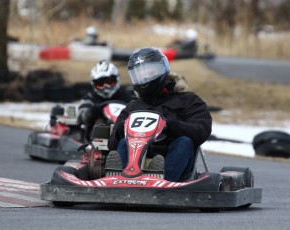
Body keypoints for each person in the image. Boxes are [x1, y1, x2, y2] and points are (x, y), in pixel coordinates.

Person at [108, 47, 212, 182]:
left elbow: (202, 130)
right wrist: (121, 130)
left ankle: (163, 178)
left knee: (184, 142)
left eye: (150, 72)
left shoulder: (188, 100)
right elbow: (112, 144)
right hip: (138, 156)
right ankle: (119, 176)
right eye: (140, 74)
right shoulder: (133, 106)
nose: (145, 78)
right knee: (123, 142)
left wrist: (174, 127)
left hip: (172, 156)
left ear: (162, 70)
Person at [50, 60, 135, 141]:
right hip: (95, 137)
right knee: (101, 122)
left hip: (124, 131)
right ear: (94, 84)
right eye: (100, 83)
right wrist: (93, 111)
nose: (105, 86)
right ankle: (99, 150)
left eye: (109, 82)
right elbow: (83, 115)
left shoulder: (125, 97)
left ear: (116, 79)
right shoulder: (90, 98)